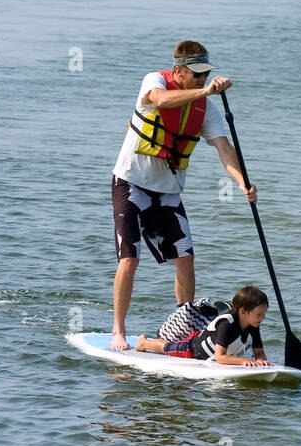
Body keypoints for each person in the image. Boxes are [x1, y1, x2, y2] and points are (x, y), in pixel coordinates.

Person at [110, 40, 257, 350]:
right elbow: (161, 101)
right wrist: (205, 91)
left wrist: (243, 181)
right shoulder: (155, 80)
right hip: (131, 183)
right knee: (130, 261)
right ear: (179, 71)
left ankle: (182, 330)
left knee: (186, 258)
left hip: (168, 191)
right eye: (197, 74)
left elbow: (224, 148)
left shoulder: (206, 108)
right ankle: (118, 332)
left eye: (206, 74)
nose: (203, 79)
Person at [135, 286, 270, 367]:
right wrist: (243, 361)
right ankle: (144, 343)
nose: (262, 318)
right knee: (167, 347)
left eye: (263, 314)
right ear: (242, 312)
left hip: (205, 342)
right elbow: (220, 357)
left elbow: (259, 353)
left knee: (170, 345)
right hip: (193, 350)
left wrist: (260, 361)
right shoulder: (227, 324)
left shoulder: (253, 325)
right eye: (259, 315)